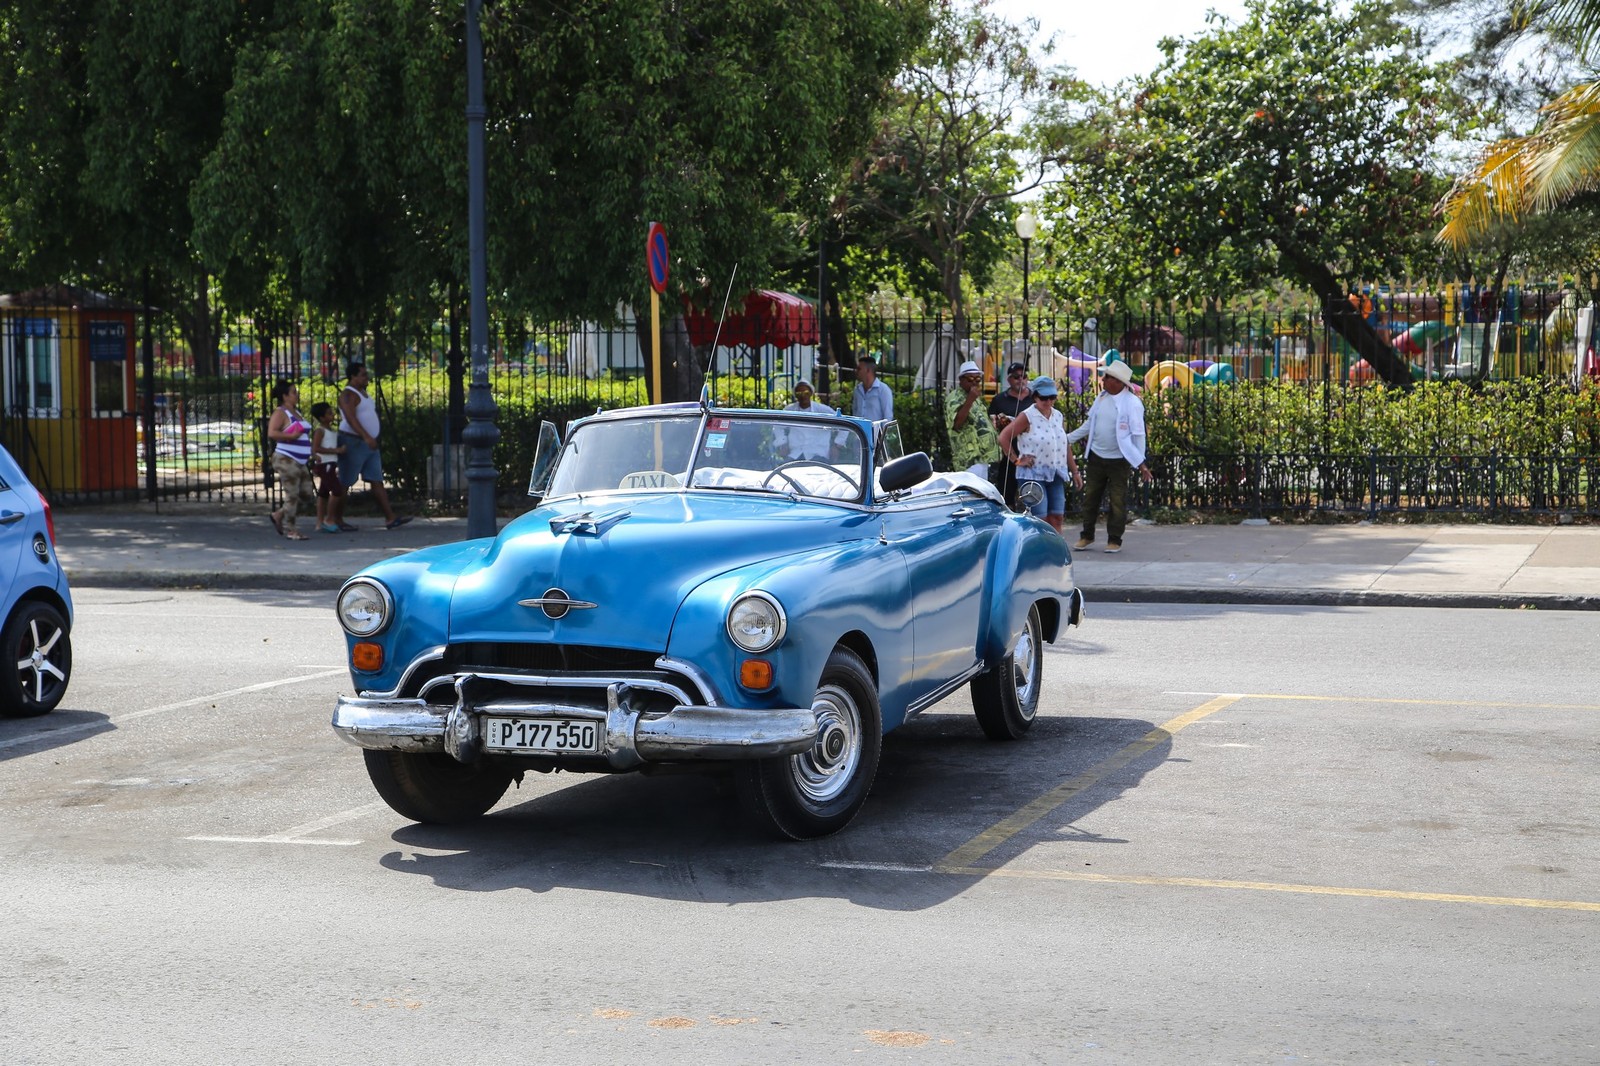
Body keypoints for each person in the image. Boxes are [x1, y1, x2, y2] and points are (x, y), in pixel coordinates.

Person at [1064, 358, 1152, 553]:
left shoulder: (1132, 403)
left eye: (1108, 377)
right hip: (1096, 457)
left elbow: (1138, 435)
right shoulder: (1102, 397)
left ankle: (1114, 539)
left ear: (1119, 382)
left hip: (1119, 460)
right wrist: (1067, 439)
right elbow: (1089, 424)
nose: (1103, 380)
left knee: (1117, 501)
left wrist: (1141, 462)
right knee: (1090, 498)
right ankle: (1086, 536)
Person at [337, 361, 412, 530]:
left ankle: (390, 518)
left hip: (368, 443)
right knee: (345, 481)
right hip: (355, 441)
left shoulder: (362, 393)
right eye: (363, 374)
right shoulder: (348, 395)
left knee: (376, 479)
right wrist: (365, 436)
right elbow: (350, 418)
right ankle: (336, 519)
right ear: (353, 377)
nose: (366, 377)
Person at [997, 376, 1072, 535]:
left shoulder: (1057, 415)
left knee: (1057, 516)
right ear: (1035, 396)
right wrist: (1016, 460)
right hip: (1033, 475)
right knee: (1040, 519)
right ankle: (1040, 554)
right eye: (1044, 397)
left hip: (1056, 472)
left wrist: (1075, 471)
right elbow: (1004, 437)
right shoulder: (1027, 416)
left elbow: (1063, 443)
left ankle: (1056, 553)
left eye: (1052, 397)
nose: (1048, 401)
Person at [266, 380, 315, 542]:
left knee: (307, 494)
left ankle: (279, 514)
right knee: (292, 495)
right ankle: (291, 529)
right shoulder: (280, 413)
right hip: (287, 458)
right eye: (294, 392)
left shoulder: (296, 411)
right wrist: (291, 437)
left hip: (300, 460)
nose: (297, 394)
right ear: (285, 396)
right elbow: (272, 433)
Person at [944, 360, 1000, 477]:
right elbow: (957, 424)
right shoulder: (954, 398)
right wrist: (970, 399)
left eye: (977, 379)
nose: (974, 382)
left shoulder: (975, 397)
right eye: (970, 379)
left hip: (982, 459)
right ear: (961, 380)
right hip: (969, 461)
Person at [987, 361, 1032, 507]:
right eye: (1016, 376)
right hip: (1008, 453)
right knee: (1006, 496)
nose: (1021, 379)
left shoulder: (1035, 399)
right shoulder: (999, 400)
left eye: (1024, 376)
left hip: (1031, 452)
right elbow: (991, 423)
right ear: (1009, 379)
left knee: (1031, 495)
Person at [309, 401, 348, 534]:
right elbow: (316, 448)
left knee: (323, 493)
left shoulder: (331, 431)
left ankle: (319, 522)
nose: (332, 415)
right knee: (337, 490)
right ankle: (329, 519)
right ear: (322, 418)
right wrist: (336, 450)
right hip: (325, 464)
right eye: (329, 413)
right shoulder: (320, 431)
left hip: (330, 464)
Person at [776, 380, 837, 460]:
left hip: (819, 455)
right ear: (795, 396)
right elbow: (777, 426)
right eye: (799, 393)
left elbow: (844, 425)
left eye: (806, 392)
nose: (803, 395)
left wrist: (837, 446)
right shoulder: (789, 410)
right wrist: (782, 443)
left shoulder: (823, 410)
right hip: (795, 454)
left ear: (811, 393)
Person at [851, 355, 894, 422]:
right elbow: (854, 413)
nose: (856, 371)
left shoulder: (883, 390)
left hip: (875, 431)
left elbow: (887, 417)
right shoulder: (857, 390)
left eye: (859, 369)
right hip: (859, 431)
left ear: (868, 370)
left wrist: (881, 431)